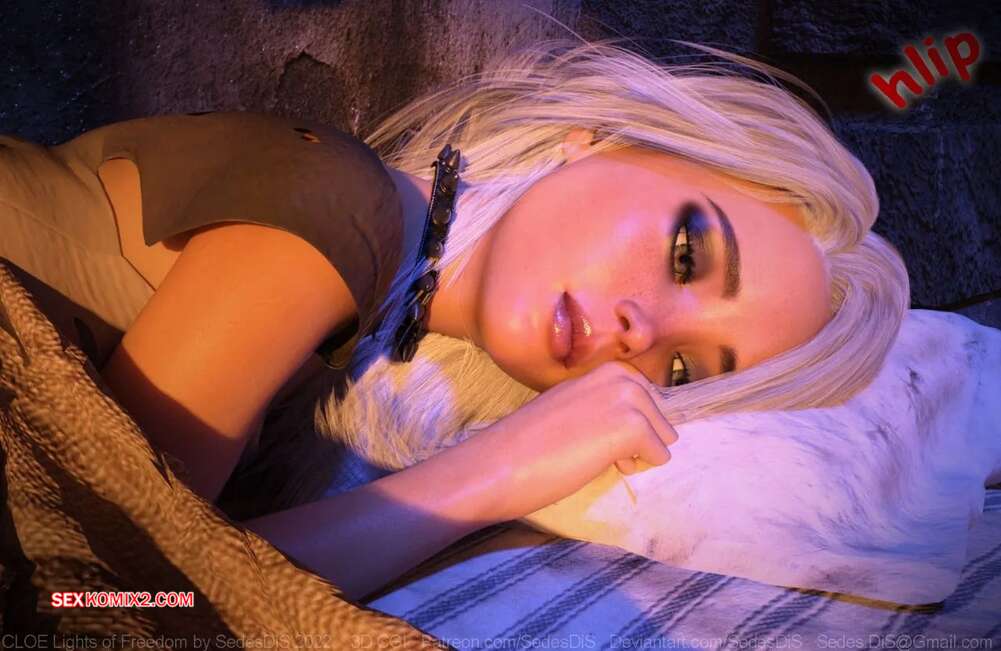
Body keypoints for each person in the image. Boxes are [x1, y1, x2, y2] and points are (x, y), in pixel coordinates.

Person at [0, 38, 909, 602]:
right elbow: (117, 599)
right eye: (685, 253)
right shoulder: (337, 212)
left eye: (683, 369)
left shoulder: (354, 317)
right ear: (603, 138)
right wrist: (493, 473)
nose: (644, 333)